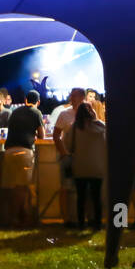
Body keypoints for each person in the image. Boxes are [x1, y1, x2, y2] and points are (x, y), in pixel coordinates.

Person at [1, 91, 45, 226]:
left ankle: (8, 216)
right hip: (24, 152)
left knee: (12, 186)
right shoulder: (36, 112)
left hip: (8, 151)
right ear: (38, 102)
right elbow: (42, 135)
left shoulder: (15, 111)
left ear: (26, 100)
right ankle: (20, 218)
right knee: (23, 187)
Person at [66, 102, 107, 231]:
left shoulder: (75, 127)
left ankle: (81, 223)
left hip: (80, 166)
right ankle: (98, 224)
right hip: (97, 166)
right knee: (96, 197)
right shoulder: (102, 126)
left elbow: (68, 145)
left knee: (81, 197)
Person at [51, 88, 86, 223]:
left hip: (84, 157)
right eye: (71, 95)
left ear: (82, 97)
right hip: (69, 156)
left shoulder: (89, 113)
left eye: (75, 96)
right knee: (66, 187)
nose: (71, 98)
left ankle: (81, 217)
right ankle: (66, 218)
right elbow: (56, 135)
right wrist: (64, 153)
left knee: (83, 188)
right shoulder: (64, 114)